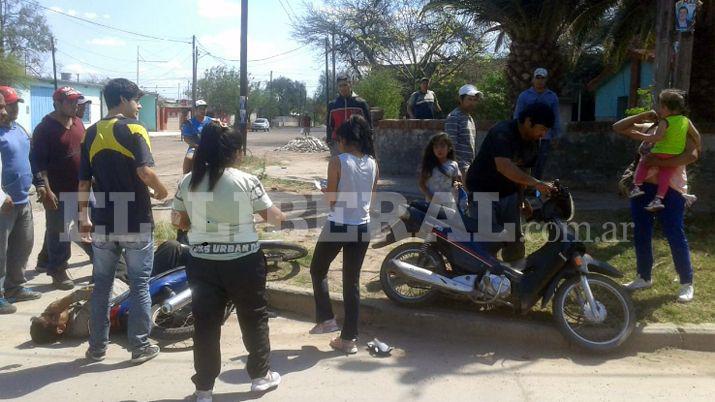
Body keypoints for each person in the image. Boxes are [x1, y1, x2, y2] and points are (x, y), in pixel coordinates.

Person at [172, 121, 285, 399]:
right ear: (235, 152)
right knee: (253, 316)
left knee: (205, 324)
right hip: (244, 262)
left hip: (202, 262)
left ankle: (204, 389)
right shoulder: (246, 181)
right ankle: (260, 377)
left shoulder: (188, 182)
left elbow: (179, 222)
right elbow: (275, 219)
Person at [78, 78, 168, 364]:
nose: (139, 105)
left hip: (104, 220)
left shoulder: (90, 134)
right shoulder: (133, 128)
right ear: (122, 100)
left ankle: (96, 348)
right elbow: (144, 171)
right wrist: (162, 190)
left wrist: (83, 217)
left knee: (102, 285)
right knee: (140, 284)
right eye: (136, 100)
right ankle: (140, 346)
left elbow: (82, 183)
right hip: (135, 220)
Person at [613, 109, 701, 303]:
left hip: (671, 190)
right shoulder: (652, 128)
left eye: (663, 106)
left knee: (674, 233)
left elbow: (692, 156)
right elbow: (618, 127)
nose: (660, 110)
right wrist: (642, 115)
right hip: (643, 189)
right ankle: (643, 276)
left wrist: (660, 162)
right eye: (659, 107)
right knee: (641, 232)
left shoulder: (682, 132)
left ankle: (686, 283)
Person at [29, 240, 190, 344]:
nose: (53, 309)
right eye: (52, 315)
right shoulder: (81, 325)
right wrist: (65, 301)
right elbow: (99, 292)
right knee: (170, 248)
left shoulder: (71, 319)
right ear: (59, 329)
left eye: (47, 311)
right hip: (128, 285)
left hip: (119, 281)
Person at [309, 115, 378, 355]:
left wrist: (324, 189)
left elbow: (331, 200)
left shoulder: (337, 162)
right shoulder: (373, 163)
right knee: (352, 283)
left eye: (338, 140)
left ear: (345, 140)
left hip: (339, 224)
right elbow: (372, 197)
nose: (336, 144)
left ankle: (327, 318)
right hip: (363, 225)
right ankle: (349, 339)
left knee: (317, 269)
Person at [465, 102, 555, 266]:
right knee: (486, 243)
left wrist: (521, 199)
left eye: (546, 130)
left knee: (515, 242)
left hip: (509, 194)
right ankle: (478, 283)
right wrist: (537, 184)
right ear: (528, 121)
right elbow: (504, 166)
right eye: (542, 128)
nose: (543, 134)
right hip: (483, 192)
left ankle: (515, 280)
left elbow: (524, 171)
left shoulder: (534, 142)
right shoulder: (502, 132)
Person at [32, 87, 94, 290]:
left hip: (82, 188)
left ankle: (101, 259)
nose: (75, 105)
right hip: (57, 191)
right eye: (70, 101)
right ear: (57, 103)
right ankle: (58, 269)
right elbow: (39, 164)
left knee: (89, 225)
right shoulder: (44, 129)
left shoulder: (77, 123)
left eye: (76, 101)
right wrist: (46, 190)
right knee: (59, 231)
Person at [0, 87, 41, 314]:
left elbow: (29, 159)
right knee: (0, 251)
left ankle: (15, 287)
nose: (14, 108)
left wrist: (40, 184)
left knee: (22, 245)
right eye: (9, 103)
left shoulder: (19, 129)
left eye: (17, 103)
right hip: (3, 204)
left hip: (23, 199)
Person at [629, 90, 697, 212]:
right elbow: (696, 135)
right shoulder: (686, 121)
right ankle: (658, 199)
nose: (659, 110)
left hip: (660, 151)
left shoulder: (664, 121)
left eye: (660, 107)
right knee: (665, 175)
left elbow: (657, 137)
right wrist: (699, 147)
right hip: (674, 154)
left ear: (665, 107)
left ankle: (637, 186)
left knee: (644, 162)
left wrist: (640, 135)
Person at [514, 68, 561, 180]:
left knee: (540, 164)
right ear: (533, 79)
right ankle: (523, 189)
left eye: (542, 78)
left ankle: (536, 189)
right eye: (537, 77)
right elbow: (517, 116)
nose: (540, 80)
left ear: (546, 80)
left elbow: (556, 117)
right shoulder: (524, 96)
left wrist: (556, 136)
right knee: (524, 162)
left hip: (545, 137)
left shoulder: (552, 97)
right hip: (527, 137)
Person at [326, 75, 372, 157]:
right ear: (337, 87)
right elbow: (330, 125)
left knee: (355, 168)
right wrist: (329, 140)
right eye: (340, 86)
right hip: (338, 143)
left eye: (345, 85)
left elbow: (367, 125)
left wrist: (368, 141)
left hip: (357, 143)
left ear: (350, 84)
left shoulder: (361, 104)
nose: (343, 88)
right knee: (339, 167)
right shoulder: (332, 105)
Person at [445, 84, 482, 175]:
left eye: (474, 100)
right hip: (460, 168)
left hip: (469, 166)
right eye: (469, 99)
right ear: (460, 100)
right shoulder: (454, 117)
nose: (472, 103)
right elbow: (451, 145)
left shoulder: (469, 118)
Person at [418, 132, 462, 204]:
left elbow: (457, 181)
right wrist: (430, 197)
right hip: (432, 203)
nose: (439, 149)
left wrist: (457, 186)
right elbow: (421, 184)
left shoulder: (453, 164)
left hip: (449, 202)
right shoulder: (429, 165)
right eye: (436, 147)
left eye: (442, 146)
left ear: (449, 148)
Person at [181, 99, 212, 174]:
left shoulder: (211, 121)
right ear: (195, 110)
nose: (203, 111)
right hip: (195, 147)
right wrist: (196, 145)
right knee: (189, 158)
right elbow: (186, 138)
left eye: (204, 109)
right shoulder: (190, 123)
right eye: (200, 109)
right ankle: (185, 176)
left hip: (210, 146)